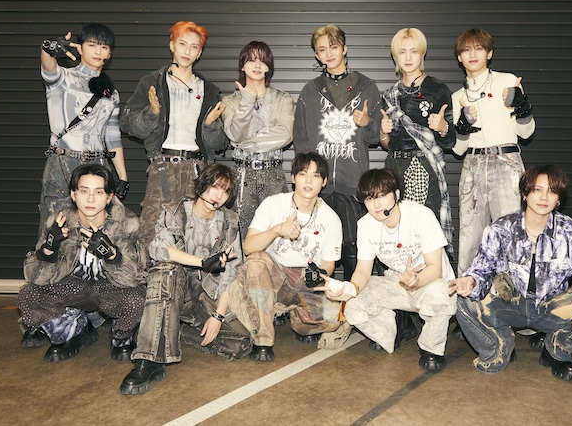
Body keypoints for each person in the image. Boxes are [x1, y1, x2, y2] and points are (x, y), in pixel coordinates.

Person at [449, 164, 572, 381]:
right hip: (511, 304)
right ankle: (499, 347)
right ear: (525, 193)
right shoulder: (500, 229)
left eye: (552, 191)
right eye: (537, 189)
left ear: (559, 199)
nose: (544, 197)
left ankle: (560, 350)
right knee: (465, 301)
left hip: (551, 307)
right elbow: (482, 268)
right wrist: (471, 281)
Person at [119, 163, 251, 395]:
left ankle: (175, 330)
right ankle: (147, 359)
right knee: (167, 270)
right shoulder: (175, 211)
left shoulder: (230, 222)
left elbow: (230, 274)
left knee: (240, 341)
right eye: (214, 187)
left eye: (226, 191)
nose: (218, 195)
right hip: (171, 288)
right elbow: (159, 249)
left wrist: (217, 316)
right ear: (202, 185)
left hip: (203, 293)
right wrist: (203, 262)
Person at [320, 168, 456, 371]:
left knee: (440, 293)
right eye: (369, 198)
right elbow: (363, 271)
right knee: (352, 302)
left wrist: (417, 280)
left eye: (382, 195)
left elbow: (436, 268)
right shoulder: (365, 225)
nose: (376, 204)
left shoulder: (421, 215)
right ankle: (389, 333)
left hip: (430, 282)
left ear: (397, 194)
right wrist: (347, 289)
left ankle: (431, 348)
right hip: (397, 282)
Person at [18, 164, 145, 363]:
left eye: (99, 192)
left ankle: (121, 337)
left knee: (138, 297)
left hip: (110, 288)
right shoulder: (59, 221)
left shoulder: (128, 224)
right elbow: (34, 277)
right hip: (72, 286)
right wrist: (48, 250)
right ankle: (73, 328)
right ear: (73, 194)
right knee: (28, 294)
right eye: (84, 191)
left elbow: (137, 278)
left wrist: (111, 255)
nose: (91, 199)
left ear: (110, 197)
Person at [119, 21, 228, 253]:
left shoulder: (209, 90)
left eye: (194, 47)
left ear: (200, 53)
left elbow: (220, 145)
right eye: (182, 44)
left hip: (198, 170)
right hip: (163, 167)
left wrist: (210, 126)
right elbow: (130, 126)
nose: (187, 51)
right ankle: (150, 276)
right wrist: (152, 113)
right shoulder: (151, 83)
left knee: (195, 232)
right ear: (172, 46)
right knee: (151, 229)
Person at [229, 152, 344, 361]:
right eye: (303, 174)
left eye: (316, 175)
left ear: (324, 182)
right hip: (275, 276)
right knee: (255, 262)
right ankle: (263, 340)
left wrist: (319, 273)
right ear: (293, 178)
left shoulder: (332, 219)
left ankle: (297, 317)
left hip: (305, 281)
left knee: (336, 320)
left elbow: (329, 263)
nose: (308, 181)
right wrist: (277, 230)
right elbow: (248, 247)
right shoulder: (273, 204)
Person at [293, 25, 381, 278]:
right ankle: (319, 301)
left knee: (355, 252)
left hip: (352, 185)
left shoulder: (367, 87)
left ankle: (355, 300)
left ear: (344, 48)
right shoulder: (310, 90)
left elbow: (375, 138)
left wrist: (367, 123)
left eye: (333, 47)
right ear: (316, 55)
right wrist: (311, 177)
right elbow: (301, 139)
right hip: (319, 188)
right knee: (318, 252)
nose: (329, 53)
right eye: (322, 49)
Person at [451, 27, 536, 277]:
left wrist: (522, 108)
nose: (472, 54)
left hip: (506, 162)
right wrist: (463, 126)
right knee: (470, 238)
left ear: (489, 53)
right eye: (466, 50)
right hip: (473, 165)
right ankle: (468, 298)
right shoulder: (458, 96)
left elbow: (526, 133)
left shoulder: (507, 81)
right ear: (459, 57)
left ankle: (518, 296)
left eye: (478, 48)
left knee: (514, 235)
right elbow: (458, 149)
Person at [37, 22, 129, 238]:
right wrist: (50, 48)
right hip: (63, 164)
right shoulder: (62, 78)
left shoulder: (111, 93)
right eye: (92, 45)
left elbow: (112, 136)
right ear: (79, 48)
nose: (98, 51)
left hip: (98, 165)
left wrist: (123, 177)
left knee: (101, 229)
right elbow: (48, 65)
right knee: (55, 226)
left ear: (109, 53)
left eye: (104, 47)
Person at [380, 27, 455, 261]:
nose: (408, 57)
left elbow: (451, 141)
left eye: (414, 51)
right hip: (394, 168)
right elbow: (386, 144)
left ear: (422, 53)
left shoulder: (438, 89)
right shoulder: (389, 95)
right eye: (402, 52)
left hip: (424, 166)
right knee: (394, 231)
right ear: (395, 56)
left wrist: (442, 127)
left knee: (425, 231)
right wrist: (383, 132)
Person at [221, 41, 294, 240]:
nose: (257, 65)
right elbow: (235, 135)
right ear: (242, 65)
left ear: (269, 67)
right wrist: (246, 102)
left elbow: (285, 135)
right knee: (241, 236)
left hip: (273, 174)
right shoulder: (230, 101)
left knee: (277, 234)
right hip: (242, 174)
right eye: (251, 59)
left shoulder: (283, 99)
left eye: (262, 60)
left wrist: (247, 141)